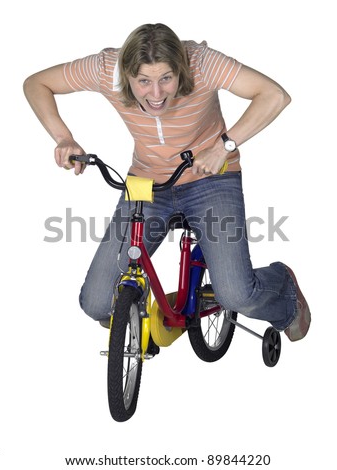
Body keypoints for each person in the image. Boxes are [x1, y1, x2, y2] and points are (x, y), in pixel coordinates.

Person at [24, 23, 310, 341]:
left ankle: (282, 288)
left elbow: (274, 95)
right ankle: (142, 310)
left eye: (166, 79)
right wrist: (64, 138)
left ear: (180, 70)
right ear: (126, 74)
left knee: (236, 296)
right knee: (96, 303)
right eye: (143, 81)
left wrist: (222, 146)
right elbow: (36, 83)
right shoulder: (106, 69)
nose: (156, 94)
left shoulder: (201, 62)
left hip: (210, 177)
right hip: (147, 183)